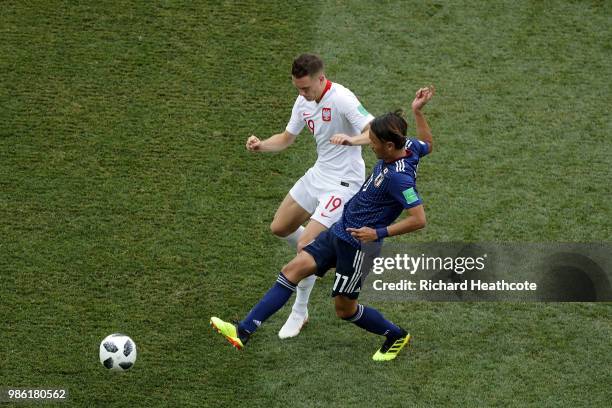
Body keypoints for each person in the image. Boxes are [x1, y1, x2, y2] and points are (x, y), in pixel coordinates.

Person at [212, 86, 435, 361]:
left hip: (358, 247)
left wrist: (377, 232)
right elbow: (428, 145)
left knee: (345, 310)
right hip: (341, 230)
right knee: (292, 269)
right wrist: (417, 111)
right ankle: (242, 331)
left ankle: (395, 335)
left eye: (373, 141)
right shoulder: (408, 145)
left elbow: (418, 219)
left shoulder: (400, 179)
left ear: (389, 146)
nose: (370, 144)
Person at [245, 54, 374, 339]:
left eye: (306, 88)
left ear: (321, 78)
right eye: (297, 89)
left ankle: (299, 310)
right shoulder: (303, 101)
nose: (302, 94)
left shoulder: (342, 99)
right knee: (280, 227)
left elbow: (375, 131)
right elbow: (286, 137)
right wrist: (262, 145)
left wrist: (352, 139)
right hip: (318, 174)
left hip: (343, 183)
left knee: (305, 245)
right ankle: (328, 246)